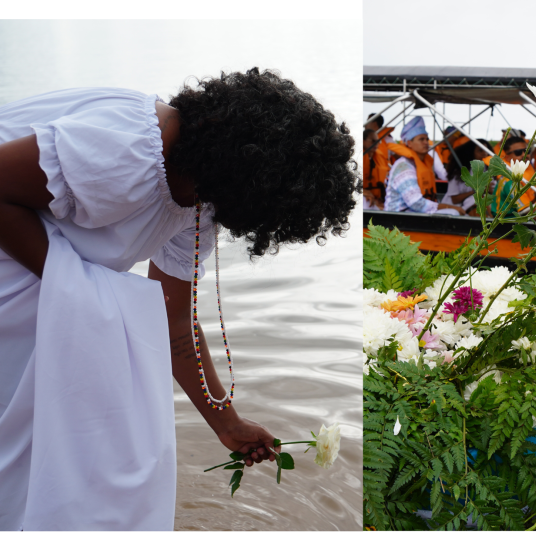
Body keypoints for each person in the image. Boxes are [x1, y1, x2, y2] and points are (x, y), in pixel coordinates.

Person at [0, 68, 360, 530]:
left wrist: (226, 423)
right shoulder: (128, 151)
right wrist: (85, 294)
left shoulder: (199, 201)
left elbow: (173, 325)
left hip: (36, 288)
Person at [384, 116, 464, 215]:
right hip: (398, 219)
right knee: (453, 213)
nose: (426, 142)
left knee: (455, 212)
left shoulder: (423, 163)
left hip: (416, 216)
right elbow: (416, 203)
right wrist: (449, 207)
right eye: (421, 139)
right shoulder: (404, 167)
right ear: (409, 143)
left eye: (427, 139)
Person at [442, 138, 488, 214]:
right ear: (471, 152)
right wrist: (475, 191)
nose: (485, 154)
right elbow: (454, 199)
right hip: (452, 210)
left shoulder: (485, 168)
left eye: (486, 150)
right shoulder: (457, 172)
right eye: (480, 150)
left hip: (471, 207)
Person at [362, 128, 389, 210]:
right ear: (363, 141)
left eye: (378, 141)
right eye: (373, 141)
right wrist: (363, 192)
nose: (376, 143)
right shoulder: (357, 158)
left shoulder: (380, 157)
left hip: (378, 199)